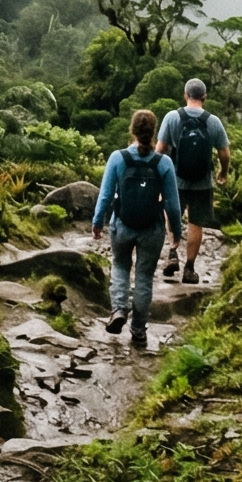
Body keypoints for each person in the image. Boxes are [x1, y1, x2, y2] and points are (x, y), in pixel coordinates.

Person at [90, 108, 179, 351]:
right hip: (152, 229)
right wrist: (177, 233)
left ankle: (119, 309)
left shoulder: (118, 158)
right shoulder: (164, 163)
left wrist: (97, 222)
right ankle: (138, 331)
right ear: (154, 132)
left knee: (119, 266)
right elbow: (172, 203)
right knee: (143, 277)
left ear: (132, 129)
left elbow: (106, 195)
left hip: (122, 225)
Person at [157, 78, 232, 286]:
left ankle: (172, 252)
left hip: (175, 180)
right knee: (195, 223)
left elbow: (160, 150)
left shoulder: (172, 117)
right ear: (204, 98)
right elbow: (224, 153)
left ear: (185, 95)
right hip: (203, 182)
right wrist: (223, 173)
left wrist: (157, 176)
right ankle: (189, 269)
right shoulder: (213, 121)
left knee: (172, 215)